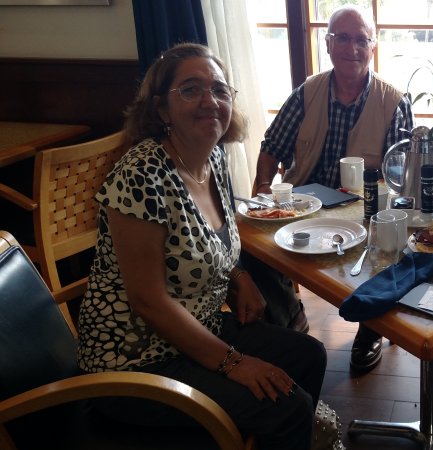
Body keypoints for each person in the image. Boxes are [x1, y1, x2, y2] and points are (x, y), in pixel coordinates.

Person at [77, 43, 327, 450]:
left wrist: (240, 275)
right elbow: (148, 301)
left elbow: (212, 238)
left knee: (309, 355)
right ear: (161, 109)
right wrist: (234, 363)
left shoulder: (213, 159)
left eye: (219, 90)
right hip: (135, 361)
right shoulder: (142, 174)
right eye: (191, 89)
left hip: (197, 328)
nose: (210, 101)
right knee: (288, 408)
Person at [254, 5, 413, 372]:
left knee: (385, 245)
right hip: (302, 204)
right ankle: (288, 317)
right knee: (253, 246)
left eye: (361, 40)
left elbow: (399, 176)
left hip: (363, 209)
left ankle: (371, 327)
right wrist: (263, 186)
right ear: (327, 44)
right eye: (342, 38)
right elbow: (272, 145)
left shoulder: (393, 101)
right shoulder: (308, 92)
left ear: (372, 47)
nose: (351, 49)